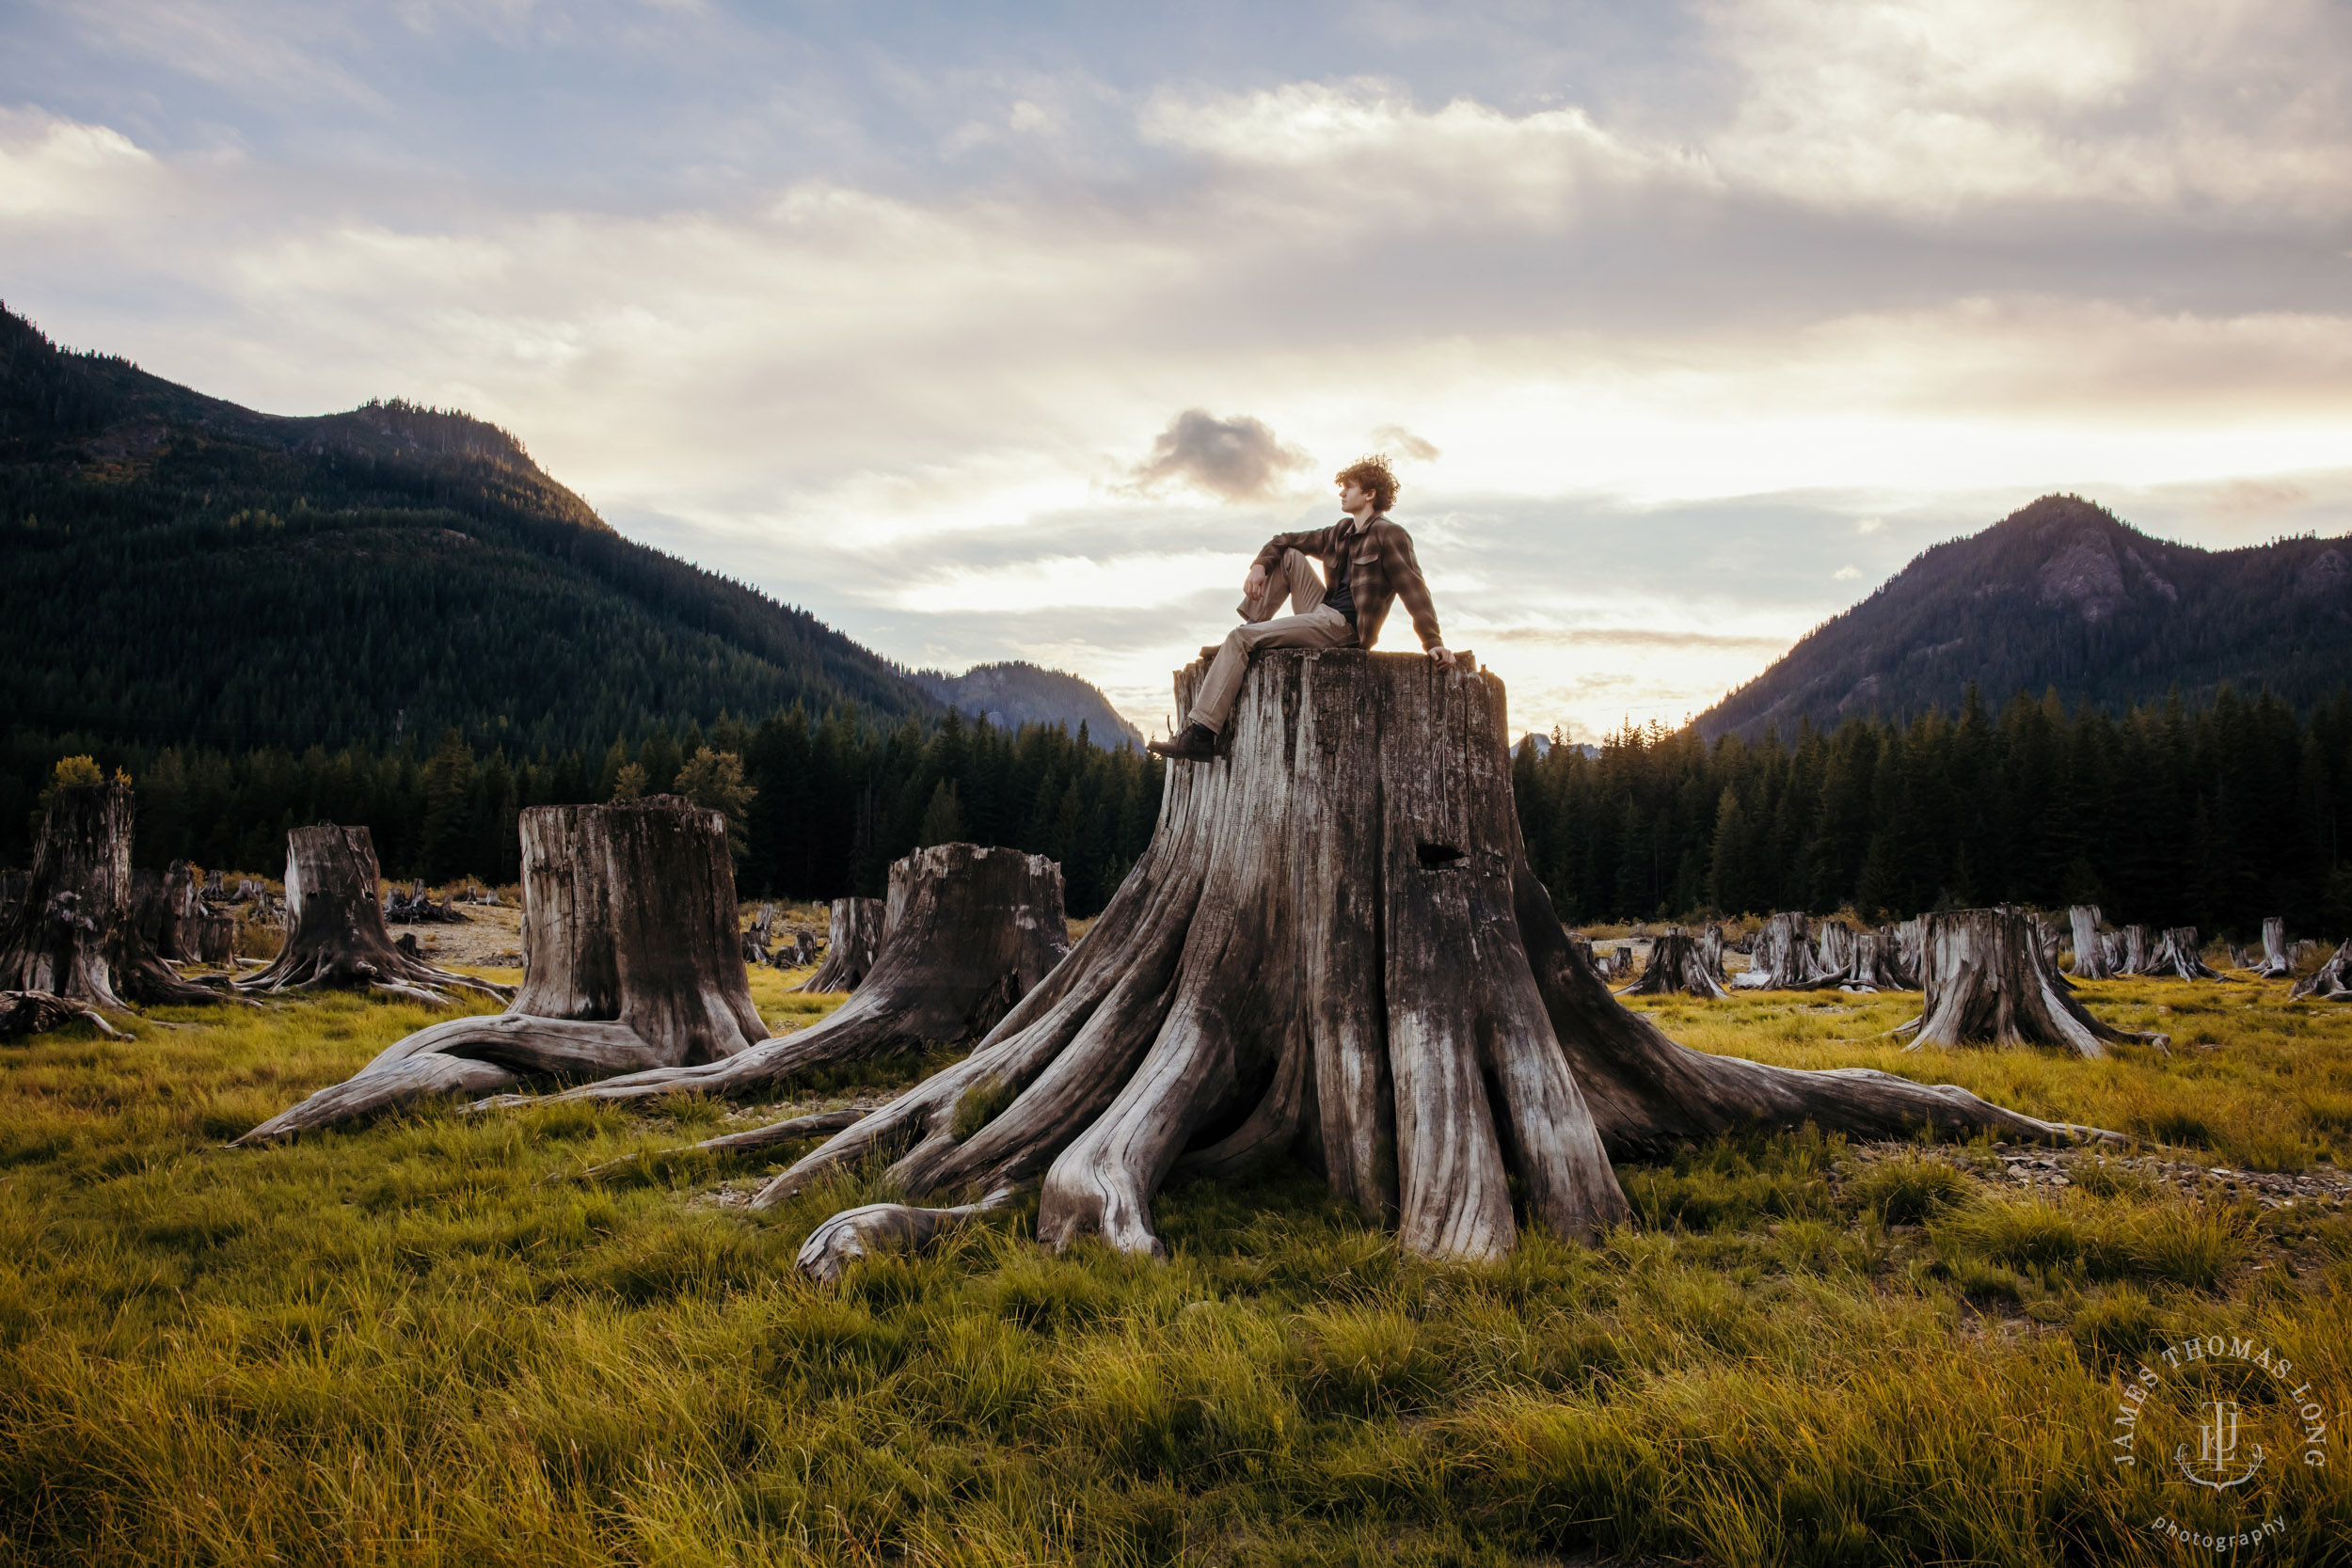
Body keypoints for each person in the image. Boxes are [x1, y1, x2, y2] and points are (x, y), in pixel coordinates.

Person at [1149, 454, 1454, 762]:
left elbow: (1413, 588)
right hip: (1322, 610)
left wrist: (1433, 642)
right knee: (1290, 555)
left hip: (1343, 628)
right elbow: (1284, 540)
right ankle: (1251, 631)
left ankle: (1200, 735)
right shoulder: (1341, 532)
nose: (1341, 493)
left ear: (1370, 494)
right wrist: (1258, 567)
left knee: (1239, 638)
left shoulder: (1390, 535)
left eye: (1349, 487)